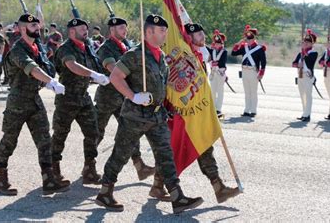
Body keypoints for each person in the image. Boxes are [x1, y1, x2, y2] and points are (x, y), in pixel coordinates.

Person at [95, 14, 203, 214]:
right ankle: (105, 192)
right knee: (121, 154)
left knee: (165, 155)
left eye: (165, 30)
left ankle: (177, 197)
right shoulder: (135, 54)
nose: (165, 34)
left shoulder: (160, 55)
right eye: (161, 30)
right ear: (149, 32)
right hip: (135, 116)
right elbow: (115, 76)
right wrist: (133, 96)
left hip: (156, 116)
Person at [0, 13, 68, 196]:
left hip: (34, 99)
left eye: (37, 25)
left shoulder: (38, 48)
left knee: (44, 140)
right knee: (9, 140)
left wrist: (49, 77)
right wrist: (51, 82)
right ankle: (0, 178)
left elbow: (45, 67)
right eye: (32, 26)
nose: (36, 28)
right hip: (17, 101)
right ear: (21, 28)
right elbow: (32, 69)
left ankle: (48, 179)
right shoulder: (18, 50)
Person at [94, 16, 156, 185]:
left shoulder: (127, 46)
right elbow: (112, 68)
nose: (125, 30)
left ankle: (140, 166)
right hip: (107, 98)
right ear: (112, 30)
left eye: (125, 28)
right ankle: (89, 167)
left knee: (130, 131)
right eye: (121, 28)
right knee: (97, 132)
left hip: (124, 96)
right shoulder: (106, 48)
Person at [184, 23, 240, 204]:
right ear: (190, 38)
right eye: (198, 34)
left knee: (205, 146)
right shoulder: (185, 57)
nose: (203, 36)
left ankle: (219, 188)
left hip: (198, 111)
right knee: (171, 151)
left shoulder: (200, 54)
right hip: (184, 113)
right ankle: (160, 184)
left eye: (202, 32)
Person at [51, 18, 109, 186]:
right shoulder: (65, 49)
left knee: (94, 133)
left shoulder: (87, 49)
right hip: (67, 99)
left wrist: (106, 74)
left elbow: (98, 65)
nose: (86, 31)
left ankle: (89, 170)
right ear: (71, 32)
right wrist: (94, 75)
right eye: (82, 29)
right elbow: (72, 65)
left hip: (83, 98)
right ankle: (53, 171)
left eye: (86, 28)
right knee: (60, 135)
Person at [231, 25, 267, 117]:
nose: (249, 40)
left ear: (254, 37)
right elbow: (233, 53)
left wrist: (261, 73)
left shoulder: (259, 48)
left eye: (250, 38)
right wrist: (239, 43)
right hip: (244, 71)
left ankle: (253, 111)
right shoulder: (244, 47)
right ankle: (247, 110)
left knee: (253, 92)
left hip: (253, 71)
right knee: (247, 92)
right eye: (247, 38)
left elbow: (263, 62)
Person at [292, 29, 318, 122]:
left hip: (307, 76)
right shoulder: (300, 53)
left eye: (308, 42)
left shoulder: (313, 53)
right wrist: (297, 65)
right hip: (300, 75)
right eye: (305, 42)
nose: (306, 43)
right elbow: (294, 63)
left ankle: (307, 115)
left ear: (312, 43)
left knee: (308, 96)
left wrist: (304, 52)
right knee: (302, 95)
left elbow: (310, 63)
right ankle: (304, 113)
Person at [207, 29, 228, 118]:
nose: (217, 45)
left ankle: (218, 108)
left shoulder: (224, 52)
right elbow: (209, 60)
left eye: (219, 43)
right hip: (213, 73)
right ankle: (213, 107)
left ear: (222, 43)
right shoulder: (212, 51)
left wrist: (214, 62)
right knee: (212, 91)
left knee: (220, 91)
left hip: (220, 72)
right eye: (216, 43)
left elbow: (222, 62)